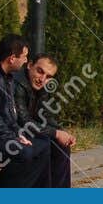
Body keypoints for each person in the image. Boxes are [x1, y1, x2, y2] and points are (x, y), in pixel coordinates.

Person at [0, 35, 49, 188]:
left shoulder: (7, 76)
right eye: (24, 56)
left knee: (43, 144)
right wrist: (13, 137)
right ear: (12, 58)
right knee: (23, 153)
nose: (26, 60)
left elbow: (9, 115)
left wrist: (18, 133)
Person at [12, 52, 74, 187]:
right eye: (40, 71)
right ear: (29, 65)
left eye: (48, 77)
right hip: (13, 133)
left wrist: (62, 132)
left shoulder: (42, 86)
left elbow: (45, 115)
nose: (42, 79)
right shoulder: (18, 84)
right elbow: (23, 120)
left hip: (27, 131)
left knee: (61, 146)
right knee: (44, 143)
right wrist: (55, 133)